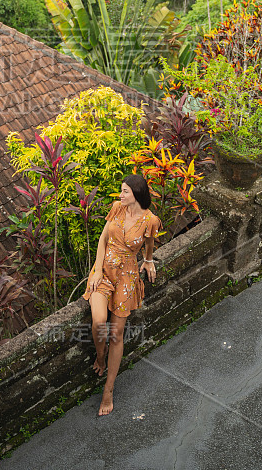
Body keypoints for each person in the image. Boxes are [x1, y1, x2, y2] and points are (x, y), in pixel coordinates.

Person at [82, 174, 161, 416]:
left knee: (116, 335)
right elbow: (103, 239)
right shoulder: (117, 208)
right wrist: (95, 271)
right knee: (98, 322)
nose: (120, 195)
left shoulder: (150, 220)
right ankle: (101, 355)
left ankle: (108, 390)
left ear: (136, 194)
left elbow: (149, 245)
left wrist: (148, 262)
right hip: (104, 272)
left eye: (125, 191)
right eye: (121, 191)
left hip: (126, 278)